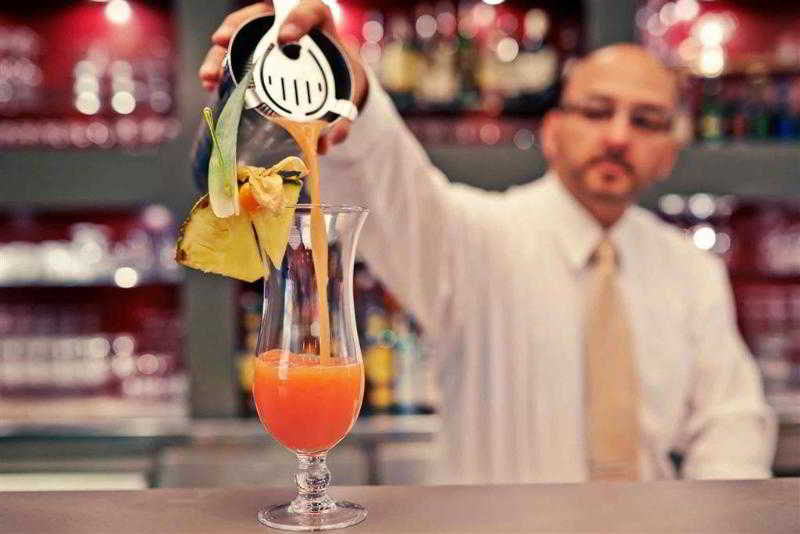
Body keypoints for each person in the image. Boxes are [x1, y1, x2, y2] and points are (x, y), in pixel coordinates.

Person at [200, 1, 776, 484]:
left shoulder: (690, 270)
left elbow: (731, 420)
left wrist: (709, 514)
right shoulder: (477, 238)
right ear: (553, 132)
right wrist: (356, 90)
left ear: (671, 153)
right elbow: (395, 186)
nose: (618, 136)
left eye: (647, 121)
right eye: (596, 112)